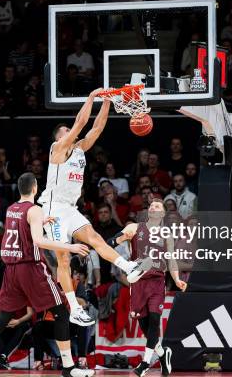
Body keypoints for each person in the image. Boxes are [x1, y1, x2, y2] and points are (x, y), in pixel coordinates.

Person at [0, 173, 94, 377]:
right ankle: (68, 368)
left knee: (3, 318)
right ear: (35, 189)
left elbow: (20, 230)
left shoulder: (11, 209)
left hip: (11, 269)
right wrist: (71, 246)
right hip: (30, 268)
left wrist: (40, 222)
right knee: (61, 313)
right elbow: (38, 242)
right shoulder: (35, 209)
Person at [38, 89, 152, 326]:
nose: (70, 133)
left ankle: (128, 267)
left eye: (69, 132)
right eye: (65, 132)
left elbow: (96, 129)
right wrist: (91, 97)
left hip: (69, 208)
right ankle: (73, 307)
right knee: (64, 259)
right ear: (59, 138)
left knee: (95, 238)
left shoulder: (79, 149)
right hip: (53, 208)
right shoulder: (57, 148)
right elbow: (80, 123)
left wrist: (107, 102)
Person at [114, 200, 187, 376]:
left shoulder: (166, 234)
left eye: (158, 206)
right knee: (145, 326)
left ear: (162, 214)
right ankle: (163, 354)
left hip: (157, 280)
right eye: (151, 206)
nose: (153, 208)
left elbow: (171, 259)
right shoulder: (134, 228)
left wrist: (176, 279)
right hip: (138, 281)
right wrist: (116, 239)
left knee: (155, 320)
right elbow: (114, 241)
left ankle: (145, 363)